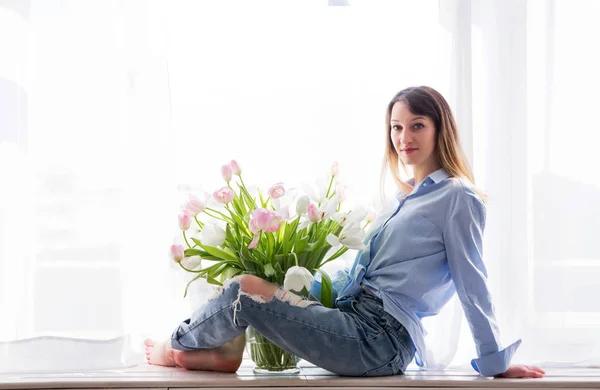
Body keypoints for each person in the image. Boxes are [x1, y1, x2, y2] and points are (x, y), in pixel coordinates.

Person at [145, 86, 545, 378]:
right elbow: (359, 276)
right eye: (397, 127)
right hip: (354, 316)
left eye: (417, 126)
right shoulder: (403, 200)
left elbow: (472, 280)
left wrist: (495, 362)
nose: (404, 138)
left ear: (441, 129)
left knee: (243, 289)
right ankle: (224, 352)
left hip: (380, 339)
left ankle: (174, 345)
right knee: (257, 284)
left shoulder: (458, 197)